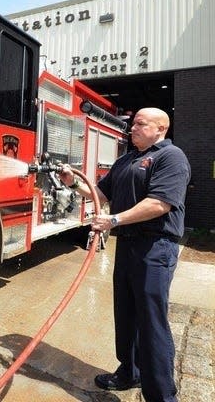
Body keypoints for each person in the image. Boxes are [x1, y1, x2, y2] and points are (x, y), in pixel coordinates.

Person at [59, 107, 190, 402]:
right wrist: (73, 183)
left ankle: (161, 394)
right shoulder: (126, 160)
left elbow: (159, 204)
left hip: (155, 247)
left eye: (140, 124)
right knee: (126, 312)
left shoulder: (171, 157)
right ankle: (129, 372)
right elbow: (100, 195)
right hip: (129, 245)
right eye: (132, 124)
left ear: (160, 129)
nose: (132, 128)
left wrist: (114, 220)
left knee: (151, 319)